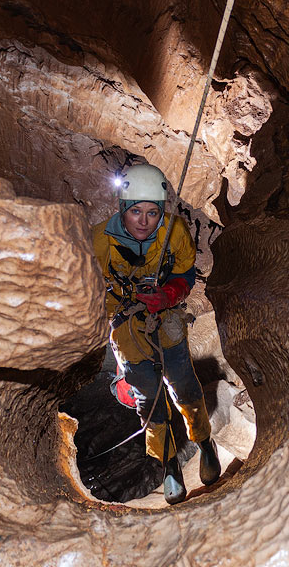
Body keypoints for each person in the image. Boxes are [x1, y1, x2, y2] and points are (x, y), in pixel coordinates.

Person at [91, 164, 221, 505]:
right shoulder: (99, 240)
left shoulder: (174, 231)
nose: (145, 221)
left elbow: (185, 274)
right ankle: (168, 466)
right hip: (125, 324)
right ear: (123, 209)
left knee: (183, 382)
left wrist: (169, 295)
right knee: (148, 397)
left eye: (152, 212)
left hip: (165, 315)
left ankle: (205, 443)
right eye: (136, 211)